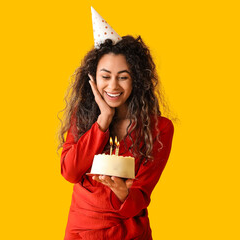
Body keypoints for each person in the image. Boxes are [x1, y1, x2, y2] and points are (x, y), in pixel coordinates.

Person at [58, 7, 174, 240]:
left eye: (123, 77)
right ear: (93, 78)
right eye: (105, 76)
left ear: (136, 81)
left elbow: (141, 195)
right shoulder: (81, 118)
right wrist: (103, 119)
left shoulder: (159, 128)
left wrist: (124, 193)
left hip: (129, 232)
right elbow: (70, 172)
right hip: (82, 230)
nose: (113, 86)